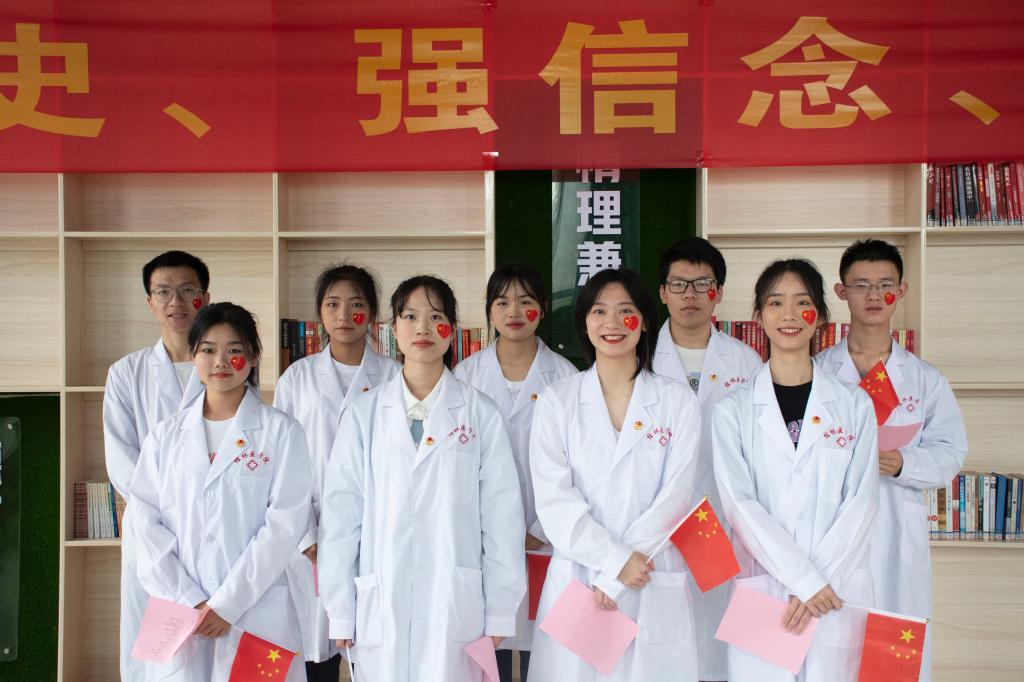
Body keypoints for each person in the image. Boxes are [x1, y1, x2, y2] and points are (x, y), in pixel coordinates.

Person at [319, 275, 526, 682]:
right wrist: (340, 609)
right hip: (383, 596)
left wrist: (501, 609)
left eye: (436, 317)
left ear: (453, 329)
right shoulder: (364, 414)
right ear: (393, 329)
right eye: (410, 317)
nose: (423, 328)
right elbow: (342, 517)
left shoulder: (480, 413)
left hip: (456, 601)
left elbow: (502, 518)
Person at [529, 267, 702, 682]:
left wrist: (622, 570)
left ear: (644, 322)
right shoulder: (557, 401)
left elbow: (676, 496)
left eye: (625, 311)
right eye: (599, 311)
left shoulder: (677, 401)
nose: (612, 323)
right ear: (585, 323)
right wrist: (614, 562)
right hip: (581, 577)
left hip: (649, 572)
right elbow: (554, 501)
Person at [712, 259, 879, 682]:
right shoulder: (733, 410)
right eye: (775, 303)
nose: (789, 315)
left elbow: (862, 501)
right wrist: (803, 580)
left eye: (802, 302)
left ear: (820, 317)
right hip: (765, 592)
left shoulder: (854, 405)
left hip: (833, 588)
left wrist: (816, 583)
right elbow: (739, 505)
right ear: (758, 316)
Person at [130, 302, 313, 681]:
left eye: (234, 350)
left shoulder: (282, 432)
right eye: (209, 349)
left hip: (255, 611)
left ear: (254, 356)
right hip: (181, 614)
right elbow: (144, 523)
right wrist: (189, 599)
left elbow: (284, 525)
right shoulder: (164, 437)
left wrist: (229, 604)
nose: (221, 361)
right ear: (193, 355)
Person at [817, 239, 967, 681]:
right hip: (832, 530)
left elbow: (951, 452)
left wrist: (901, 463)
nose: (874, 295)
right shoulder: (817, 372)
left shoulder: (924, 379)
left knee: (894, 653)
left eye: (885, 284)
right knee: (834, 650)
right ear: (842, 292)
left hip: (897, 531)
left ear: (901, 291)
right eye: (861, 284)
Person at [273, 264, 399, 681]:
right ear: (320, 314)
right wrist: (306, 536)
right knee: (317, 657)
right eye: (333, 304)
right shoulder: (298, 378)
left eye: (356, 304)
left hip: (374, 534)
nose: (344, 315)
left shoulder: (394, 377)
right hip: (308, 535)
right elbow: (280, 464)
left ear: (373, 314)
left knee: (373, 653)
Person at [453, 263, 577, 682]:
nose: (515, 311)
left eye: (526, 301)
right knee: (494, 651)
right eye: (503, 302)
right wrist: (496, 530)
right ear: (489, 310)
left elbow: (579, 467)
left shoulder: (567, 377)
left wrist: (539, 530)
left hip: (548, 541)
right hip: (482, 538)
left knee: (546, 651)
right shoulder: (465, 376)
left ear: (543, 308)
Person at [653, 237, 763, 681]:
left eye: (703, 284)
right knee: (664, 639)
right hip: (658, 521)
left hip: (726, 517)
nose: (691, 295)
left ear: (718, 292)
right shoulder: (640, 357)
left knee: (719, 638)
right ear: (662, 292)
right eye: (679, 284)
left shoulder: (747, 361)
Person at [103, 250, 211, 682]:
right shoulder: (125, 373)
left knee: (211, 640)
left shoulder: (225, 366)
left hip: (209, 525)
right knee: (155, 651)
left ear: (205, 298)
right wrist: (168, 503)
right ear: (150, 302)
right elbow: (121, 460)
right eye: (164, 292)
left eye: (187, 290)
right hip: (150, 528)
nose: (176, 302)